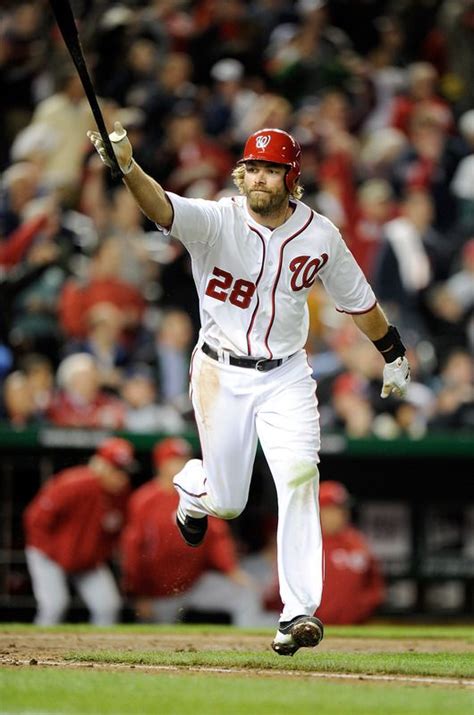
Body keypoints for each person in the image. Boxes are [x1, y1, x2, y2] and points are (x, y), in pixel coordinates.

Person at [88, 121, 411, 656]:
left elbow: (360, 301)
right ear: (242, 173)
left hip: (287, 375)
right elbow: (160, 207)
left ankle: (298, 611)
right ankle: (194, 492)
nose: (260, 178)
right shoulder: (218, 219)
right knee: (230, 501)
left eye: (272, 169)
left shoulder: (320, 234)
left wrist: (393, 351)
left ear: (292, 177)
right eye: (253, 168)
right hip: (220, 372)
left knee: (299, 477)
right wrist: (126, 167)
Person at [121, 437, 263, 625]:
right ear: (161, 464)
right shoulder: (144, 500)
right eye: (175, 460)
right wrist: (138, 594)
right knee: (157, 644)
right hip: (158, 592)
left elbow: (217, 536)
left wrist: (230, 569)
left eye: (185, 459)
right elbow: (132, 549)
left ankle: (250, 650)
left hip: (195, 583)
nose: (182, 465)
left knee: (245, 595)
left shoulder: (199, 493)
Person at [23, 437, 134, 625]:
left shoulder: (121, 494)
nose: (121, 477)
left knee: (107, 606)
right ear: (100, 466)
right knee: (54, 605)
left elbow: (116, 533)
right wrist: (57, 552)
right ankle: (36, 653)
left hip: (86, 562)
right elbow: (35, 520)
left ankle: (101, 652)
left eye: (123, 471)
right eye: (116, 470)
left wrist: (93, 555)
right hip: (49, 556)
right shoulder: (73, 483)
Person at [316, 481, 386, 624]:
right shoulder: (306, 544)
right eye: (331, 509)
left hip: (355, 627)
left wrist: (362, 609)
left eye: (341, 509)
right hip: (313, 628)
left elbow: (375, 585)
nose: (339, 514)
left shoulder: (357, 542)